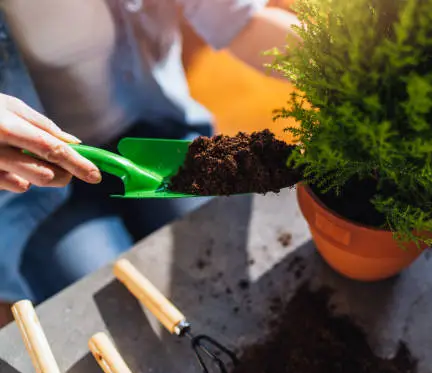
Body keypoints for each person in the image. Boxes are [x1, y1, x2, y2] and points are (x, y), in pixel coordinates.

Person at [0, 0, 299, 326]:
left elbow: (244, 21)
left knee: (230, 265)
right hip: (32, 185)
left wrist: (346, 61)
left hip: (155, 135)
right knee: (114, 317)